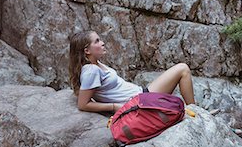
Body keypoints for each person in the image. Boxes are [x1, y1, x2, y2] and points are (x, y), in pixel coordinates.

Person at [68, 30, 196, 113]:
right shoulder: (91, 71)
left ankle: (192, 110)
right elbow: (83, 104)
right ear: (87, 51)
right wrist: (113, 106)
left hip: (141, 94)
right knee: (182, 69)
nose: (102, 43)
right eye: (97, 41)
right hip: (139, 101)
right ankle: (195, 111)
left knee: (175, 100)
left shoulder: (95, 64)